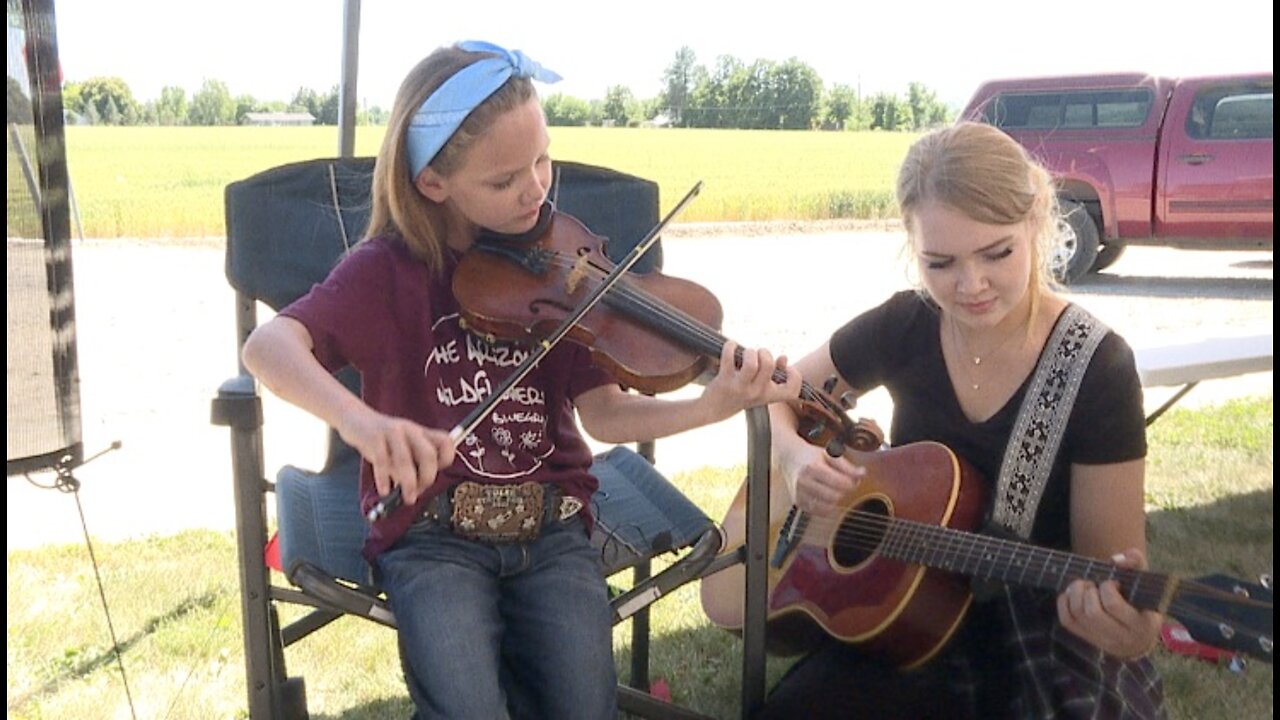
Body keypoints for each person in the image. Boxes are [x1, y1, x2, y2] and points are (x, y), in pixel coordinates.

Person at [241, 40, 801, 720]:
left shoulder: (565, 268)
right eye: (504, 181)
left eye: (542, 160)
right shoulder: (387, 272)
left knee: (585, 708)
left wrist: (711, 405)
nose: (536, 189)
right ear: (433, 183)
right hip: (432, 534)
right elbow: (270, 346)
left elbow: (606, 415)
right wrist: (364, 423)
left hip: (555, 528)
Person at [756, 121, 1166, 719]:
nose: (971, 286)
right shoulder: (905, 323)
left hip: (1034, 631)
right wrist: (795, 459)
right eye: (940, 262)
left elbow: (1115, 575)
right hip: (899, 610)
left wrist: (1127, 627)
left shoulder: (1095, 366)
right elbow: (774, 394)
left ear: (1036, 224)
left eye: (997, 253)